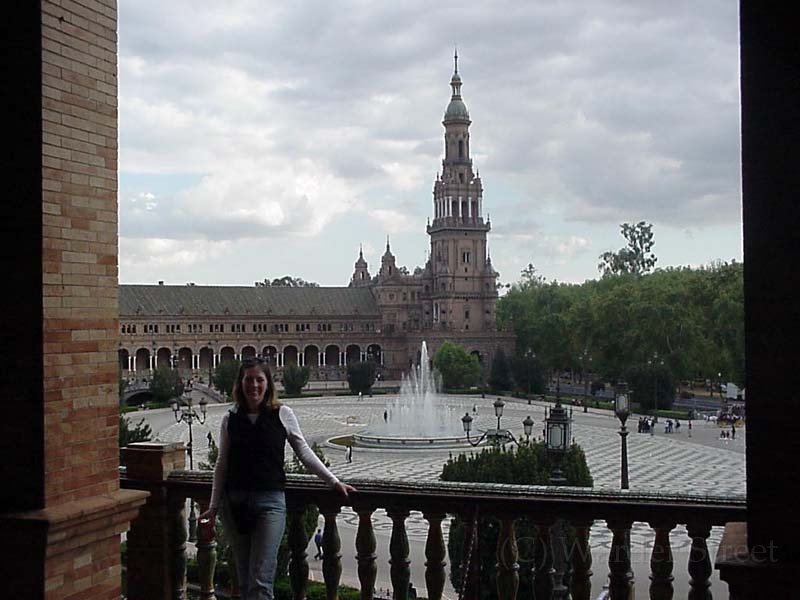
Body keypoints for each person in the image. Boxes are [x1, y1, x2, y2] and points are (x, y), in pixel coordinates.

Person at [200, 357, 355, 600]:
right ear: (240, 384)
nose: (254, 386)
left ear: (268, 383)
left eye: (259, 380)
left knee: (261, 578)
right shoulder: (230, 418)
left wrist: (333, 481)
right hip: (235, 504)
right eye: (248, 380)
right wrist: (213, 505)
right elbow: (222, 463)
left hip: (270, 502)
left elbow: (304, 451)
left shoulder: (283, 413)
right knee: (243, 576)